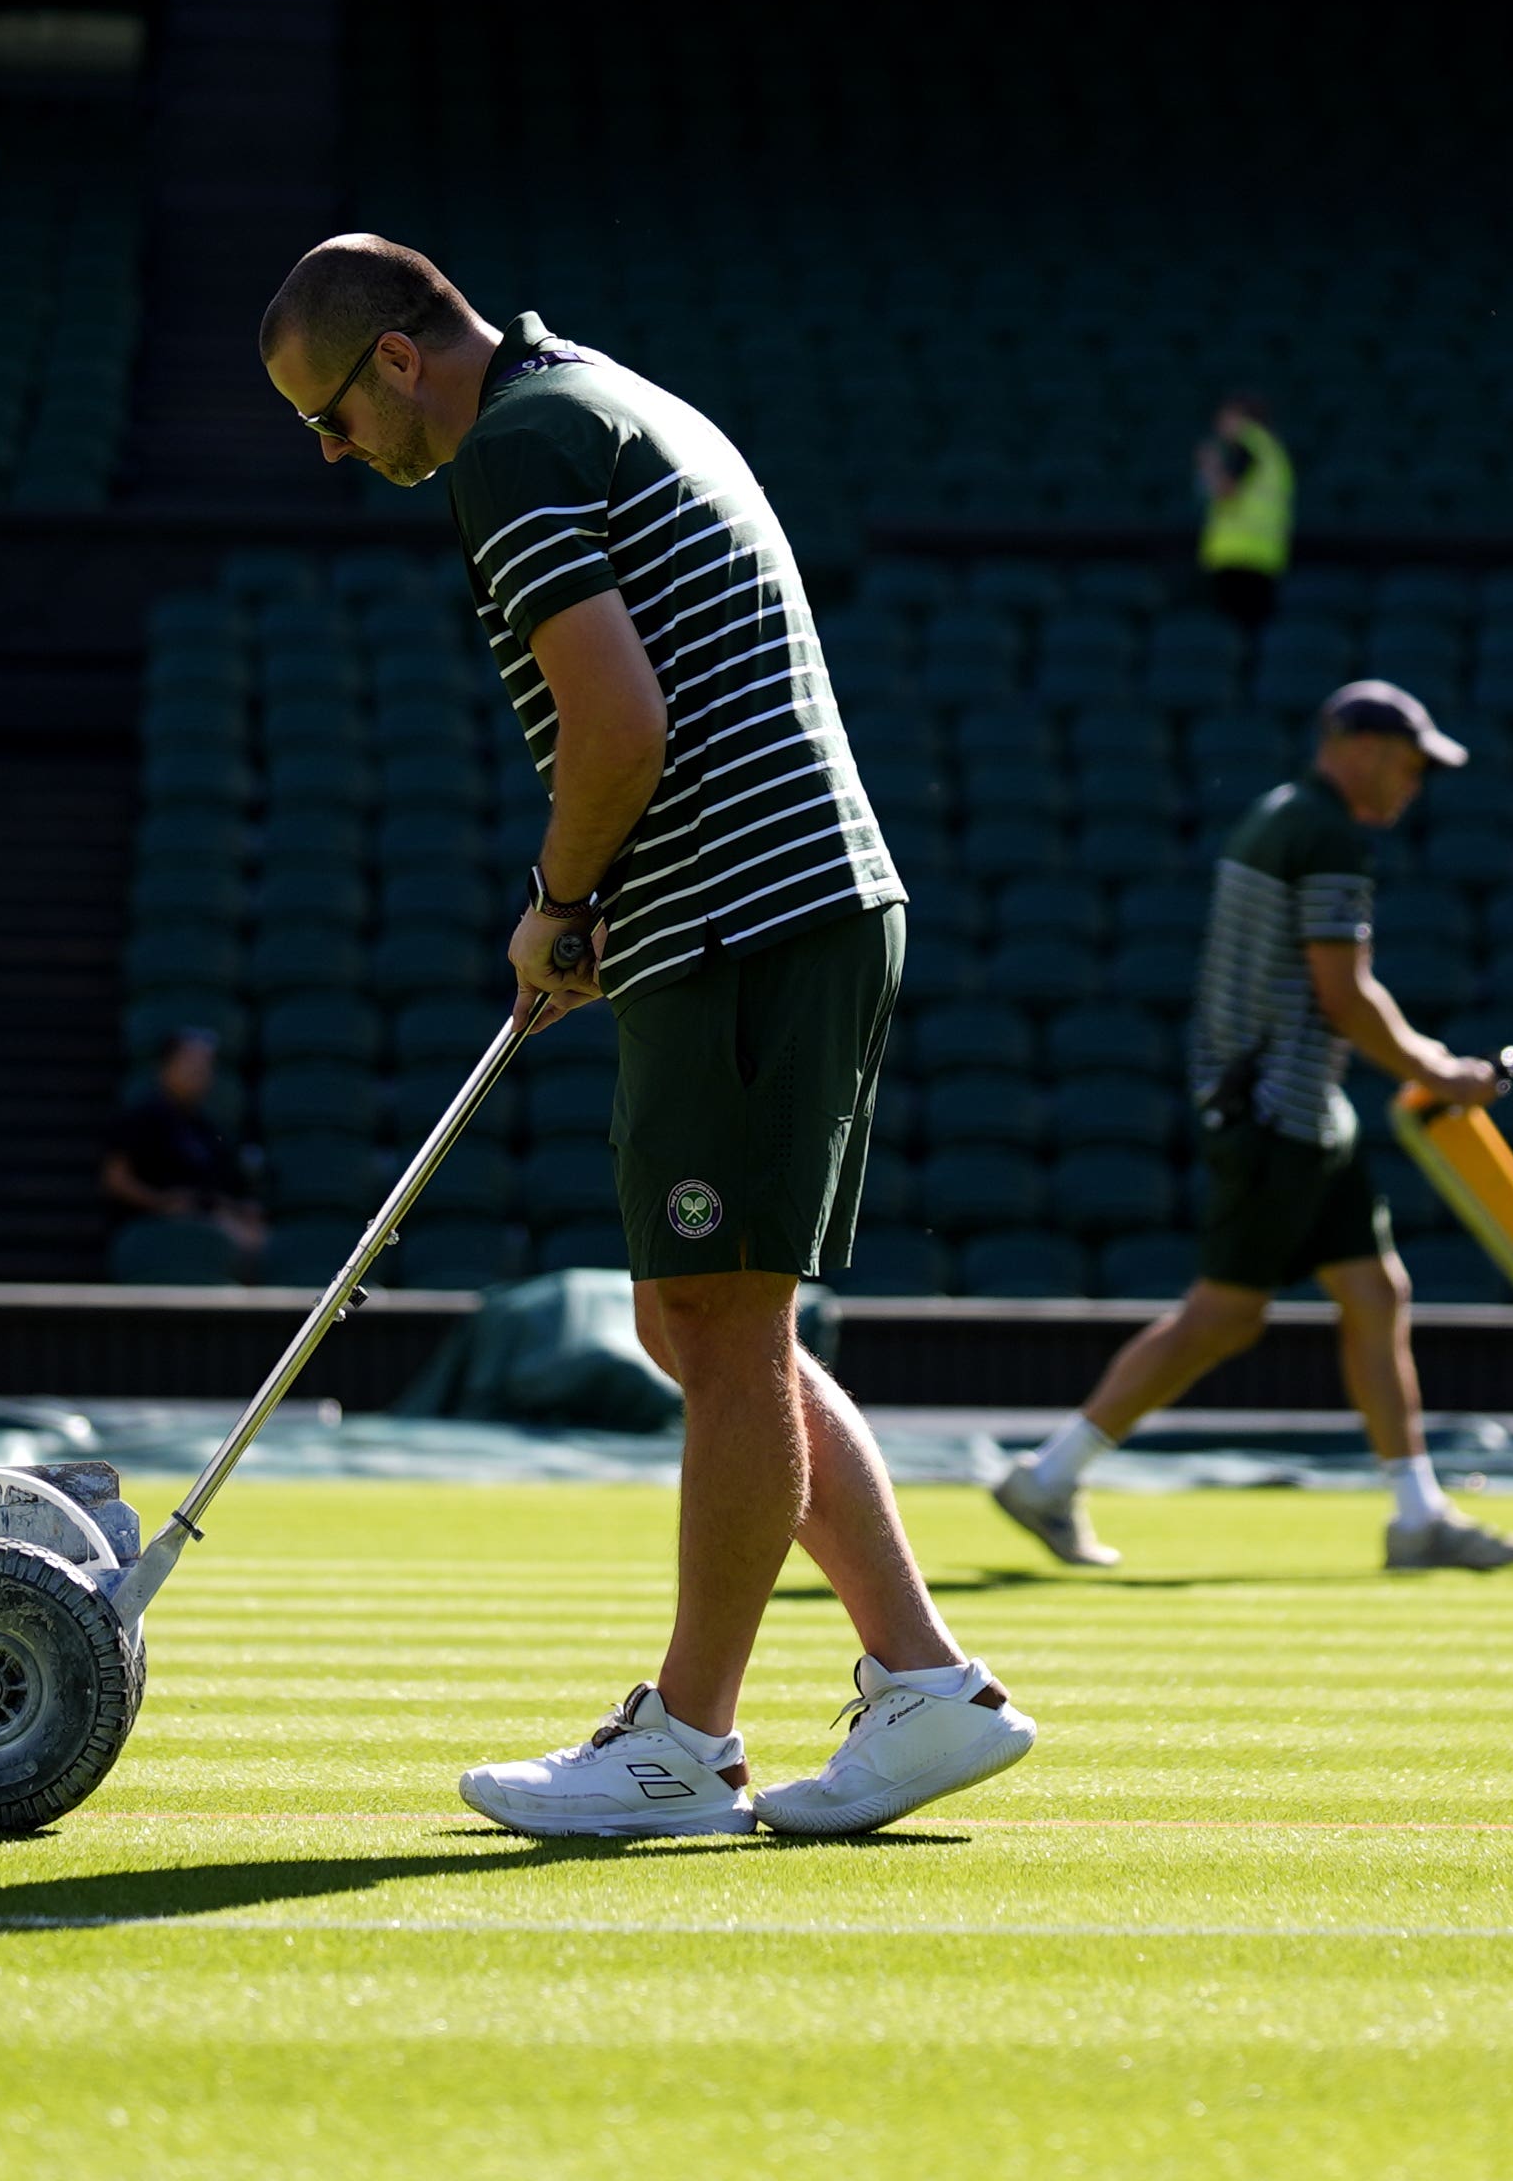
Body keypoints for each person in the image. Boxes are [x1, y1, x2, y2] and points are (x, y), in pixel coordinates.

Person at [257, 231, 1035, 1839]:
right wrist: (609, 908)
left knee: (718, 1320)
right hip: (746, 908)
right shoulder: (594, 395)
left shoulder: (517, 446)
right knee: (698, 1327)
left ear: (398, 359)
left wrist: (555, 898)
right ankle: (925, 1686)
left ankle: (687, 1740)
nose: (336, 453)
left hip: (752, 920)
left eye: (330, 416)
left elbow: (620, 724)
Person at [993, 678, 1513, 1574]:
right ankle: (1050, 1477)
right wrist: (1440, 1069)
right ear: (1360, 748)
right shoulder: (1326, 833)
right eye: (1408, 765)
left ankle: (1417, 1517)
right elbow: (1344, 993)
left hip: (1299, 1109)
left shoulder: (1280, 816)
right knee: (1223, 1316)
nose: (1413, 785)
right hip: (1277, 1112)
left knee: (1376, 1296)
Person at [100, 1027, 262, 1258]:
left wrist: (234, 1208)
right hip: (154, 1224)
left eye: (206, 1066)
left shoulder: (207, 1128)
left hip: (206, 1220)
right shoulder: (141, 1118)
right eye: (191, 1063)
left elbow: (212, 1192)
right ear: (167, 1065)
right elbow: (115, 1179)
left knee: (255, 1235)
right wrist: (161, 1203)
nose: (200, 1072)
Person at [1195, 395, 1292, 639]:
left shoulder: (1248, 443)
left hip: (1238, 555)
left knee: (1231, 635)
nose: (1220, 424)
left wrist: (1209, 465)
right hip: (1265, 556)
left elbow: (1226, 490)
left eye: (1226, 417)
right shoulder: (1273, 451)